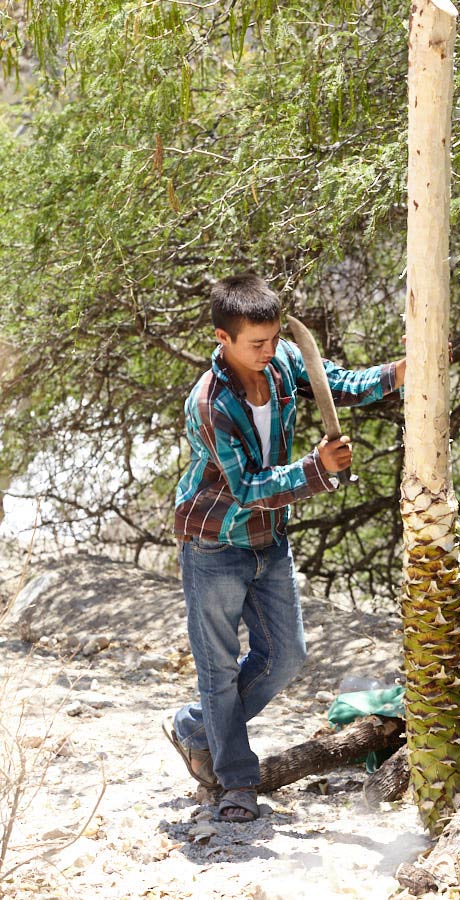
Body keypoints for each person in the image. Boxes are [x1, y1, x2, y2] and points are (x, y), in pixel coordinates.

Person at [163, 273, 405, 823]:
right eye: (256, 343)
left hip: (268, 539)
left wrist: (400, 373)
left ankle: (196, 727)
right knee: (218, 670)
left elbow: (337, 383)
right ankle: (237, 784)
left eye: (274, 339)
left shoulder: (284, 360)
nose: (269, 352)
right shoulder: (209, 403)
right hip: (214, 542)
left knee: (287, 655)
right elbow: (246, 487)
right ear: (222, 338)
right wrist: (316, 469)